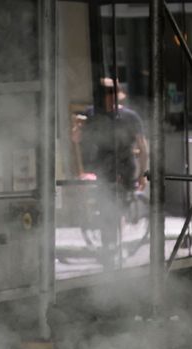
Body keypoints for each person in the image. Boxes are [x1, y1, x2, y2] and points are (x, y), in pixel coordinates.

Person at [71, 77, 148, 267]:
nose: (109, 99)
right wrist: (77, 128)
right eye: (106, 94)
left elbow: (143, 148)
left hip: (124, 166)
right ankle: (109, 245)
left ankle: (115, 243)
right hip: (103, 168)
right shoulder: (92, 115)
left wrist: (143, 173)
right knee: (105, 206)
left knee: (118, 207)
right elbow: (76, 140)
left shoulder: (130, 117)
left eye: (112, 94)